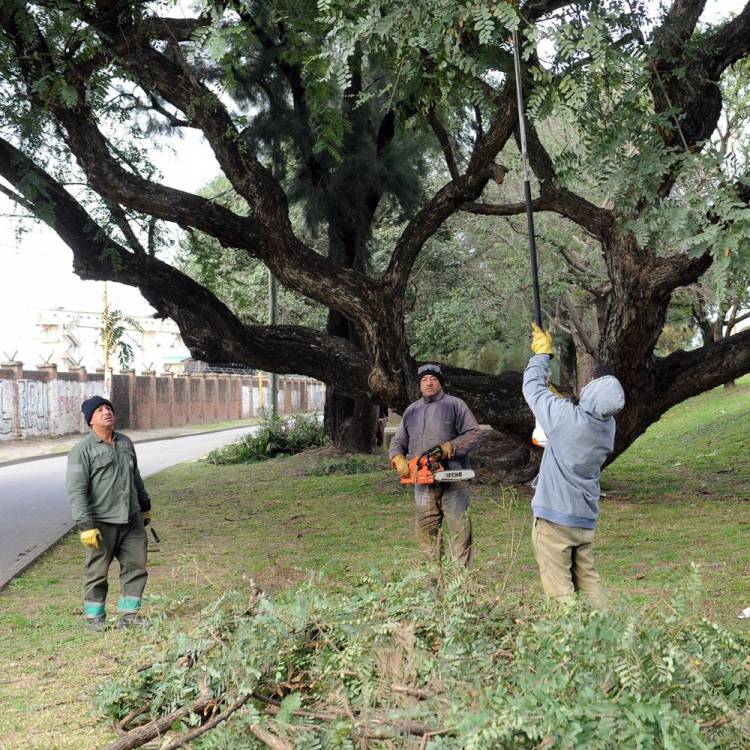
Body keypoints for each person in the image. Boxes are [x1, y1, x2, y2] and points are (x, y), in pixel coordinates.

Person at [522, 324, 625, 609]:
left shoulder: (567, 420)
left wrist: (541, 356)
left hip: (555, 520)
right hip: (583, 520)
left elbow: (531, 389)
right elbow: (574, 412)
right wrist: (556, 397)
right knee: (589, 583)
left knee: (560, 592)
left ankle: (570, 642)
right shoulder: (607, 428)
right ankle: (607, 631)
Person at [66, 395, 152, 631]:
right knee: (97, 572)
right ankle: (95, 618)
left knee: (136, 567)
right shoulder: (81, 451)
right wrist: (85, 526)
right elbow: (77, 491)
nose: (106, 412)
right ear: (90, 420)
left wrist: (145, 507)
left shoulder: (125, 442)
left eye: (109, 408)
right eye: (100, 410)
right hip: (101, 523)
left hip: (131, 518)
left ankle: (130, 616)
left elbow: (135, 477)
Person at [389, 364, 482, 567]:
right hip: (423, 485)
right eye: (424, 380)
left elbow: (474, 433)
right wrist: (398, 457)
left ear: (440, 383)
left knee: (460, 532)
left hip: (453, 480)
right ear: (419, 385)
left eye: (433, 379)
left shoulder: (455, 405)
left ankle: (463, 585)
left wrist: (450, 447)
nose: (429, 383)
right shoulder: (412, 411)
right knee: (426, 535)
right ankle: (434, 581)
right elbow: (398, 441)